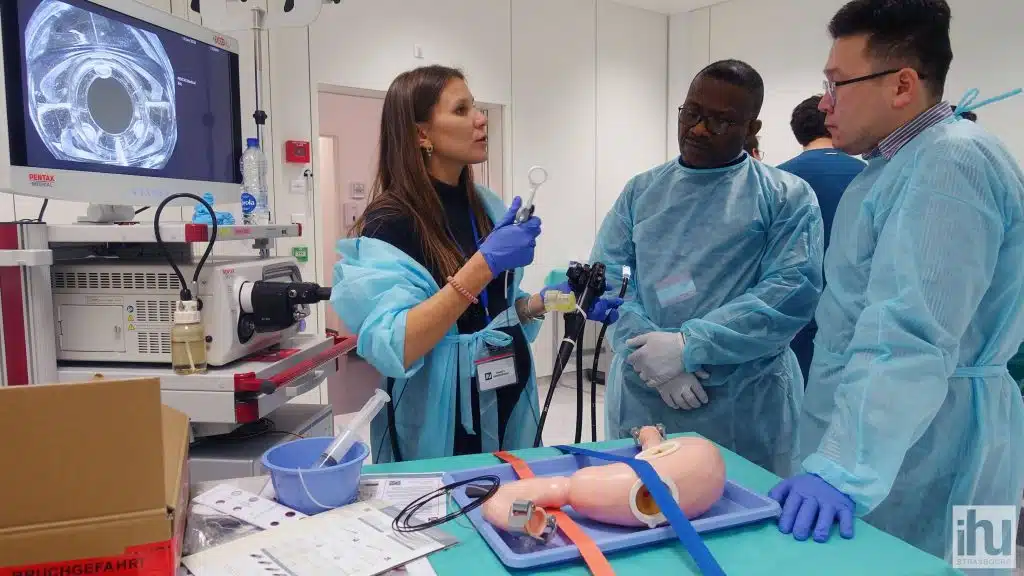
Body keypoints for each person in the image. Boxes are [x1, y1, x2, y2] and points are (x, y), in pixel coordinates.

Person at [770, 0, 1024, 565]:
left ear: (903, 84)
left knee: (956, 563)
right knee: (978, 562)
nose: (823, 103)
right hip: (926, 438)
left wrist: (842, 468)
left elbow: (908, 335)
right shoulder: (896, 167)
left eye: (837, 83)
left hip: (934, 447)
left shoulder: (949, 165)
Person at [330, 66, 622, 463]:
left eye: (477, 107)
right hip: (441, 413)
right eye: (461, 109)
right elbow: (395, 344)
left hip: (509, 396)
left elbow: (498, 310)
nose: (481, 118)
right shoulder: (391, 220)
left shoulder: (484, 205)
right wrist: (483, 263)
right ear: (421, 134)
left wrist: (559, 300)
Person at [590, 59, 824, 476]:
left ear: (752, 129)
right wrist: (651, 357)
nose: (698, 129)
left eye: (720, 121)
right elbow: (609, 277)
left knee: (746, 522)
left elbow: (790, 292)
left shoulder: (785, 196)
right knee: (641, 512)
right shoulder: (641, 192)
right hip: (646, 394)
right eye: (692, 113)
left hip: (746, 403)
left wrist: (687, 346)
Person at [777, 95, 866, 383]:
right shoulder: (870, 175)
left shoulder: (777, 180)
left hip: (791, 314)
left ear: (797, 131)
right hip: (855, 312)